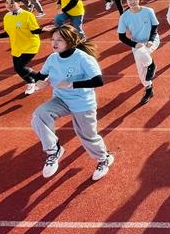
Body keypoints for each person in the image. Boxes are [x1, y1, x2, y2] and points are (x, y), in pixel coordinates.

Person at [29, 25, 114, 181]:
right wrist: (40, 82)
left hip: (82, 103)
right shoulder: (52, 58)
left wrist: (72, 84)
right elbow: (41, 75)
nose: (54, 43)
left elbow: (98, 81)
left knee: (87, 136)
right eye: (53, 39)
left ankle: (104, 159)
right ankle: (54, 150)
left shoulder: (83, 58)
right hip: (61, 99)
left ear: (70, 41)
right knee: (39, 115)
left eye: (59, 40)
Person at [0, 0, 43, 95]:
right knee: (17, 68)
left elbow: (34, 30)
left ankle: (31, 82)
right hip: (16, 46)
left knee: (20, 67)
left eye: (12, 3)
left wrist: (43, 29)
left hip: (30, 45)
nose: (9, 5)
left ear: (19, 3)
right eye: (7, 3)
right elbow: (8, 33)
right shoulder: (7, 16)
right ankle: (40, 77)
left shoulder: (28, 15)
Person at [118, 0, 159, 105]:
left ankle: (151, 65)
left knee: (141, 53)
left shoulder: (148, 11)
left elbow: (155, 27)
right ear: (126, 1)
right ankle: (149, 89)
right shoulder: (124, 17)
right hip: (136, 43)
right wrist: (135, 44)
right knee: (141, 71)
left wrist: (151, 40)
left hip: (151, 40)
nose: (132, 2)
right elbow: (121, 37)